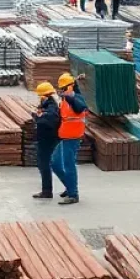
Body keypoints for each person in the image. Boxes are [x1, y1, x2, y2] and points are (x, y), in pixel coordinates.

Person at [50, 72, 87, 205]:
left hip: (73, 137)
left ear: (70, 87)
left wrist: (70, 97)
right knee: (55, 163)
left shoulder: (76, 98)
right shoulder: (66, 100)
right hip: (64, 136)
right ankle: (69, 186)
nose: (61, 91)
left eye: (63, 88)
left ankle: (73, 194)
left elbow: (81, 107)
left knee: (68, 165)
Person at [32, 82, 61, 200]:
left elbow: (48, 121)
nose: (39, 98)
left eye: (40, 96)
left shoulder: (51, 108)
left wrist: (37, 117)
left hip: (47, 140)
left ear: (44, 95)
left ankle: (47, 191)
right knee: (45, 165)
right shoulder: (48, 105)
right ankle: (48, 190)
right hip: (47, 139)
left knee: (44, 165)